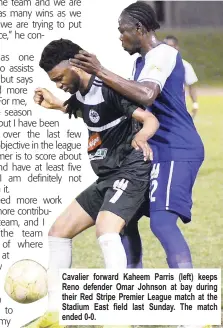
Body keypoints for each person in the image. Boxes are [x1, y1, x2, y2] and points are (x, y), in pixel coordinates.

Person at [23, 38, 159, 328]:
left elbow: (149, 120)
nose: (59, 84)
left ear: (75, 65)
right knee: (58, 231)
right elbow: (88, 111)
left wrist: (142, 136)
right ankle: (55, 314)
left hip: (130, 170)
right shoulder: (81, 94)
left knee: (106, 231)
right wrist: (57, 106)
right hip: (107, 176)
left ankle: (120, 317)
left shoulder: (106, 88)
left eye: (60, 78)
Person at [70, 1, 204, 272]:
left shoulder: (163, 53)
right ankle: (132, 286)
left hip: (175, 147)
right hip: (151, 148)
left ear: (139, 28)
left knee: (162, 222)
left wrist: (100, 70)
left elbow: (146, 94)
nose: (120, 37)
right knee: (123, 216)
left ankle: (189, 301)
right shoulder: (140, 63)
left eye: (123, 31)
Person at [163, 35, 199, 119]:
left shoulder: (185, 65)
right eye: (165, 46)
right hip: (160, 106)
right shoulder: (156, 65)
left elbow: (191, 85)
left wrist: (195, 104)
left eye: (170, 46)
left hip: (178, 107)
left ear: (177, 48)